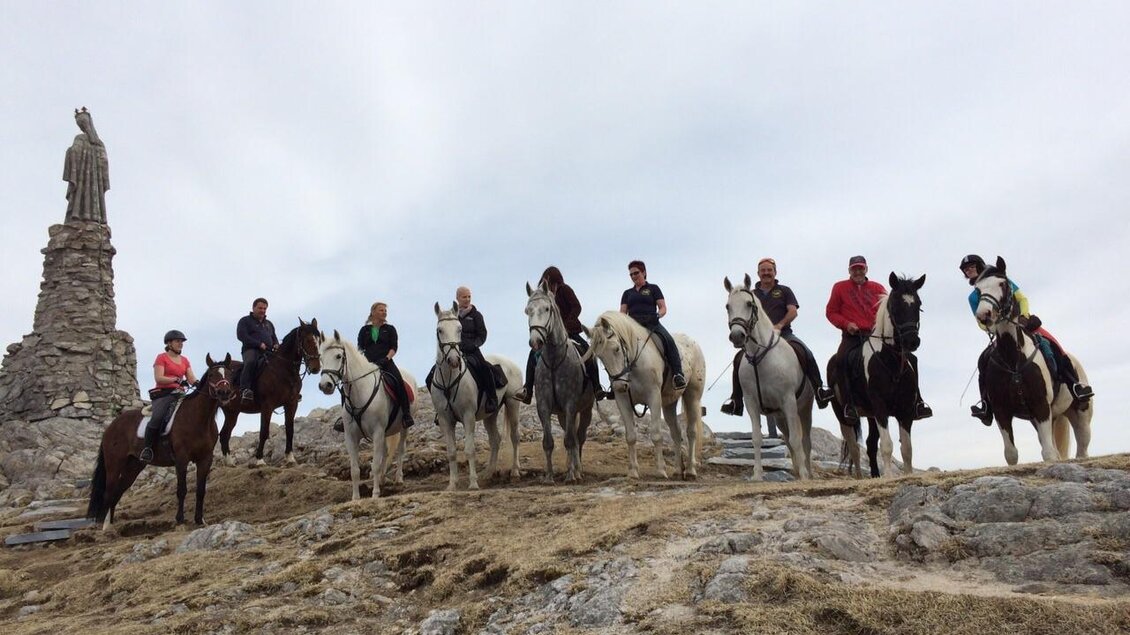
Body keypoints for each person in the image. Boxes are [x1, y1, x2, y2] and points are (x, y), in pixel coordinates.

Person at [959, 254, 1093, 425]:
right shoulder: (973, 297)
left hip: (1022, 322)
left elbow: (1021, 298)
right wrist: (991, 328)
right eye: (965, 269)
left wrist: (1024, 316)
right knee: (983, 360)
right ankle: (986, 404)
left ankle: (1075, 385)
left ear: (979, 265)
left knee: (1052, 344)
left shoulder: (1002, 280)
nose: (968, 270)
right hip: (1000, 331)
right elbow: (980, 320)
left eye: (971, 266)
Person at [721, 258, 834, 424]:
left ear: (775, 272)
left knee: (804, 351)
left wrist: (780, 325)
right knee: (738, 360)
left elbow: (793, 311)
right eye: (763, 270)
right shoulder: (751, 294)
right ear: (758, 273)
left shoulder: (784, 291)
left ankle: (819, 390)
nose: (766, 273)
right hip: (758, 339)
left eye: (769, 270)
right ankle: (736, 401)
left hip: (784, 334)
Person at [825, 255, 932, 419]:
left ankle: (917, 402)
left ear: (866, 269)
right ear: (849, 270)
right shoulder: (839, 287)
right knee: (841, 360)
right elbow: (831, 312)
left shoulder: (877, 288)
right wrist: (847, 324)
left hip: (877, 335)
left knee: (911, 359)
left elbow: (890, 311)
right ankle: (848, 405)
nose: (858, 271)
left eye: (861, 268)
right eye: (854, 268)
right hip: (852, 336)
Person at [516, 266, 608, 404]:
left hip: (571, 331)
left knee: (589, 354)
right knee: (532, 354)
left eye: (549, 281)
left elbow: (577, 307)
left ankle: (597, 387)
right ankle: (527, 389)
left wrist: (566, 325)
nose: (547, 284)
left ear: (554, 280)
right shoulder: (544, 297)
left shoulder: (565, 290)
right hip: (550, 335)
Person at [620, 260, 686, 389]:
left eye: (636, 273)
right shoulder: (627, 293)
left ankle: (678, 374)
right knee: (616, 346)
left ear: (644, 273)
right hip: (633, 325)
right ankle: (617, 381)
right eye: (631, 274)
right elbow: (622, 313)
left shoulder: (653, 288)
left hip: (652, 323)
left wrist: (658, 315)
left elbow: (663, 307)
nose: (634, 276)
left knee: (669, 341)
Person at [141, 330, 198, 463]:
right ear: (169, 343)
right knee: (158, 417)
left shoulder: (185, 360)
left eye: (182, 342)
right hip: (164, 394)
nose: (180, 344)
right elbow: (159, 378)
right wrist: (175, 380)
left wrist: (198, 383)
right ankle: (147, 448)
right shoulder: (162, 358)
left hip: (180, 394)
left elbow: (191, 378)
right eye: (178, 341)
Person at [356, 301, 414, 428]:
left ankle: (406, 414)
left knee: (398, 382)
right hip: (368, 364)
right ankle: (345, 419)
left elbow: (394, 347)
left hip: (386, 362)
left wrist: (387, 358)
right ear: (373, 312)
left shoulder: (390, 329)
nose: (384, 312)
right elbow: (360, 348)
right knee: (350, 383)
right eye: (381, 310)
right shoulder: (364, 330)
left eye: (385, 310)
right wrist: (362, 362)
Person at [456, 286, 500, 414]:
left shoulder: (476, 315)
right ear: (457, 298)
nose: (467, 299)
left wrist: (475, 345)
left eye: (469, 296)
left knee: (485, 368)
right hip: (456, 351)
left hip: (473, 350)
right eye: (464, 297)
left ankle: (492, 399)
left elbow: (482, 334)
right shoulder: (453, 316)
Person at [63, 107, 110, 224]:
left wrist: (70, 151)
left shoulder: (81, 139)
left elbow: (75, 152)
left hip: (90, 179)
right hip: (90, 179)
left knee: (84, 193)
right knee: (87, 193)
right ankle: (92, 217)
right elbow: (104, 162)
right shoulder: (98, 143)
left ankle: (79, 215)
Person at [236, 297, 278, 403]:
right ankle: (244, 389)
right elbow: (241, 335)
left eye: (265, 309)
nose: (262, 311)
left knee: (281, 363)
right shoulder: (245, 321)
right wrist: (258, 344)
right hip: (251, 350)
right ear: (253, 308)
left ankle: (288, 391)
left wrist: (276, 344)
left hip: (268, 352)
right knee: (250, 362)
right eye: (260, 308)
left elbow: (274, 337)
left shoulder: (269, 324)